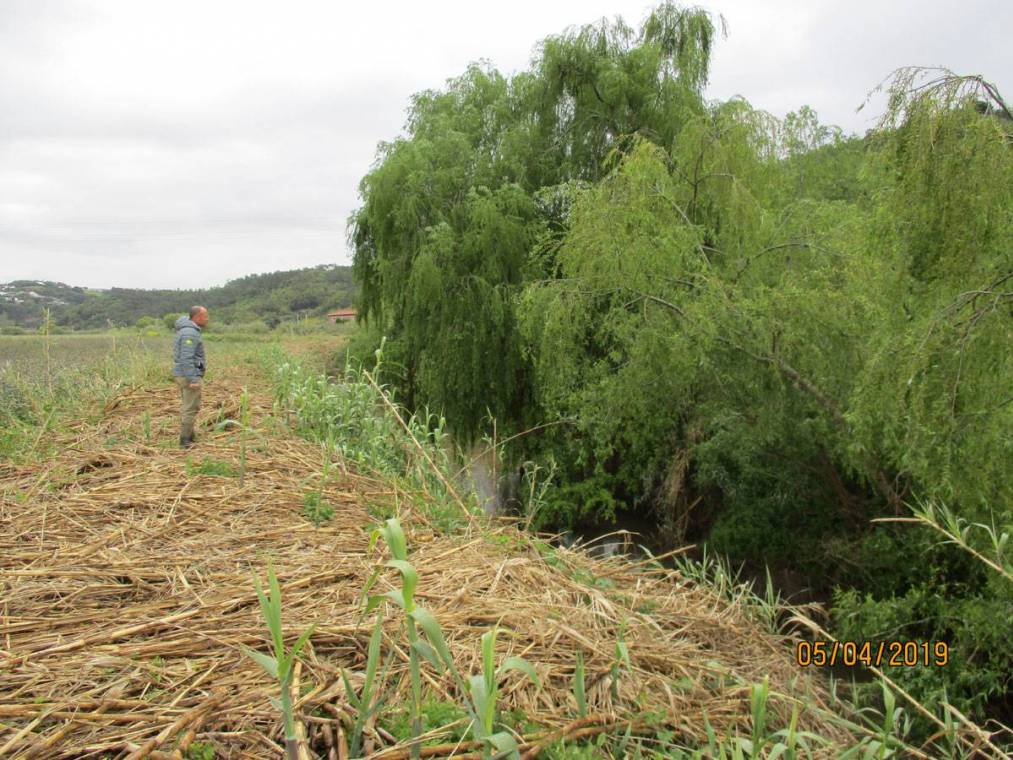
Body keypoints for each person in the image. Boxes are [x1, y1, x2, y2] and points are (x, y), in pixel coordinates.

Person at [173, 306, 208, 448]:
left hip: (185, 374)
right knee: (190, 408)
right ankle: (185, 441)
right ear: (197, 317)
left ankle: (190, 436)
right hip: (188, 375)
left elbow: (195, 357)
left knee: (191, 406)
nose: (207, 319)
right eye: (205, 316)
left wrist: (201, 369)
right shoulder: (190, 334)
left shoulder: (189, 331)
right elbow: (187, 358)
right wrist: (194, 378)